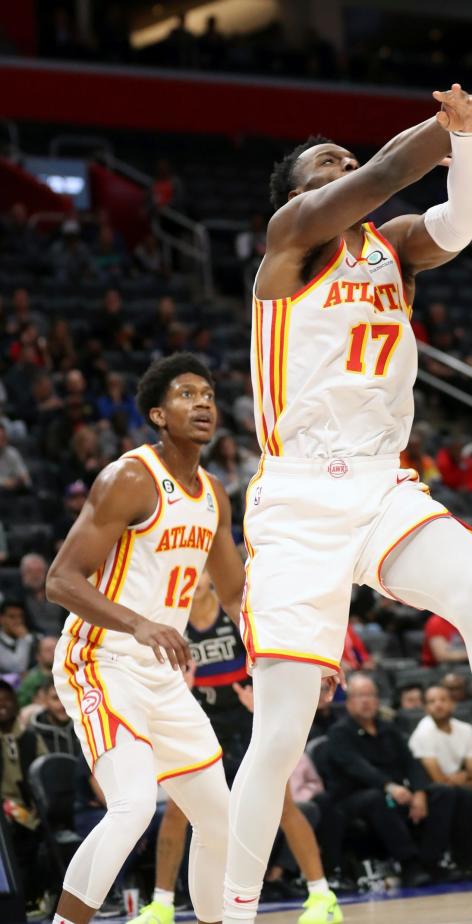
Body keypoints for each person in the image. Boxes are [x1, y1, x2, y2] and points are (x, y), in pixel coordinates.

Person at [224, 45, 472, 922]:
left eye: (346, 164)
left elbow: (464, 216)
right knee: (281, 729)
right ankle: (235, 909)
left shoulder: (391, 246)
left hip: (381, 485)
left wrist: (468, 141)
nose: (345, 175)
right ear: (297, 194)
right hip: (295, 503)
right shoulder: (290, 244)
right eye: (327, 171)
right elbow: (399, 166)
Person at [44, 353, 248, 924]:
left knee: (219, 816)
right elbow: (59, 580)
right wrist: (137, 622)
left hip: (160, 673)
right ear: (158, 414)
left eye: (207, 394)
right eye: (187, 395)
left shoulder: (213, 494)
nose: (203, 403)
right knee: (133, 807)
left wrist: (288, 654)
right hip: (99, 658)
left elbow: (234, 596)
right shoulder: (130, 477)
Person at [134, 573, 342, 924]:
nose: (196, 578)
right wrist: (178, 687)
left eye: (202, 570)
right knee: (177, 811)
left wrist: (263, 697)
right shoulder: (173, 622)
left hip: (245, 717)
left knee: (283, 805)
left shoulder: (233, 615)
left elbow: (269, 656)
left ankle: (322, 895)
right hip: (199, 719)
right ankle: (161, 905)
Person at [324, 673, 457, 886]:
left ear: (378, 700)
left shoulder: (389, 729)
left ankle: (431, 861)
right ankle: (409, 865)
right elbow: (358, 768)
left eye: (370, 695)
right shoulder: (339, 733)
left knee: (443, 793)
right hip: (352, 798)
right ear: (348, 703)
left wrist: (420, 793)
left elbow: (411, 762)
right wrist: (389, 786)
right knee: (377, 798)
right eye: (359, 696)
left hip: (397, 793)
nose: (366, 701)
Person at [409, 684, 472, 872]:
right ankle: (466, 861)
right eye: (432, 701)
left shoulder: (465, 730)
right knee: (458, 794)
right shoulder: (422, 733)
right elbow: (437, 777)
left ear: (453, 704)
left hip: (462, 785)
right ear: (426, 708)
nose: (438, 705)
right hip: (435, 792)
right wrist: (465, 778)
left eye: (443, 700)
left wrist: (464, 778)